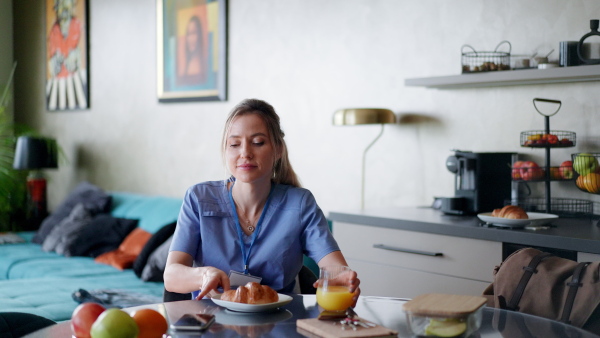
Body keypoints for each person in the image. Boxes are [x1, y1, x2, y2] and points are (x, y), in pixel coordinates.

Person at [164, 98, 360, 303]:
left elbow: (334, 268)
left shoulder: (300, 204)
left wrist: (342, 281)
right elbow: (171, 276)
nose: (245, 153)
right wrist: (204, 275)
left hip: (280, 323)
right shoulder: (199, 198)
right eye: (234, 144)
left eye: (258, 142)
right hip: (212, 323)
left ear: (278, 149)